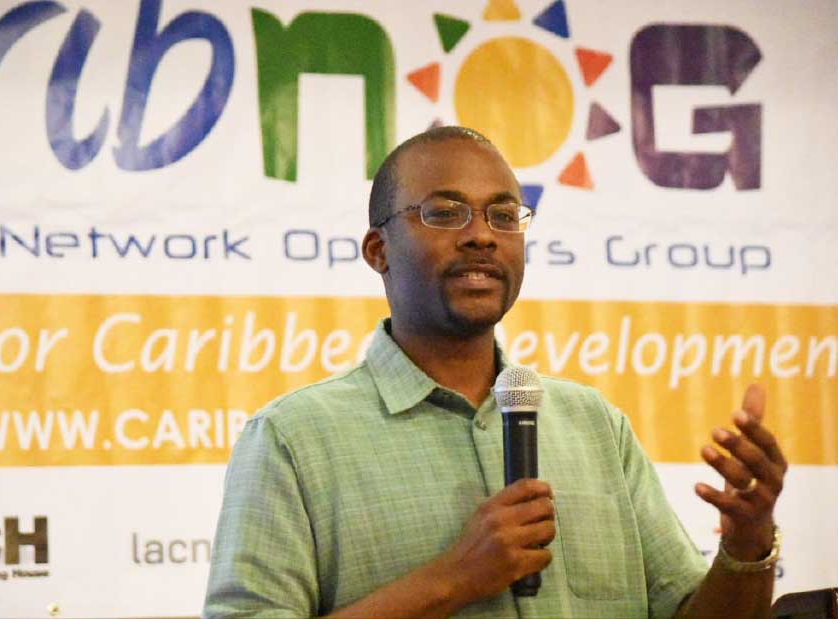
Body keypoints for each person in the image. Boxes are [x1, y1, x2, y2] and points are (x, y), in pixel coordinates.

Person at [202, 126, 787, 618]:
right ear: (379, 251)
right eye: (446, 211)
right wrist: (453, 579)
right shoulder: (292, 438)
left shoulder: (594, 425)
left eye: (504, 215)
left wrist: (748, 539)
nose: (482, 234)